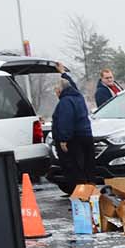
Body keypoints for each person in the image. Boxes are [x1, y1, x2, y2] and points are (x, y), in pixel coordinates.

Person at [51, 62, 93, 190]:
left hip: (74, 139)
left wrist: (63, 140)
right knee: (88, 167)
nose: (56, 94)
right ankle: (91, 192)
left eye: (56, 91)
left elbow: (65, 121)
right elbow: (71, 85)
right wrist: (63, 72)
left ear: (60, 91)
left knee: (75, 168)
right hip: (86, 136)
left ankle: (81, 194)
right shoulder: (77, 96)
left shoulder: (65, 102)